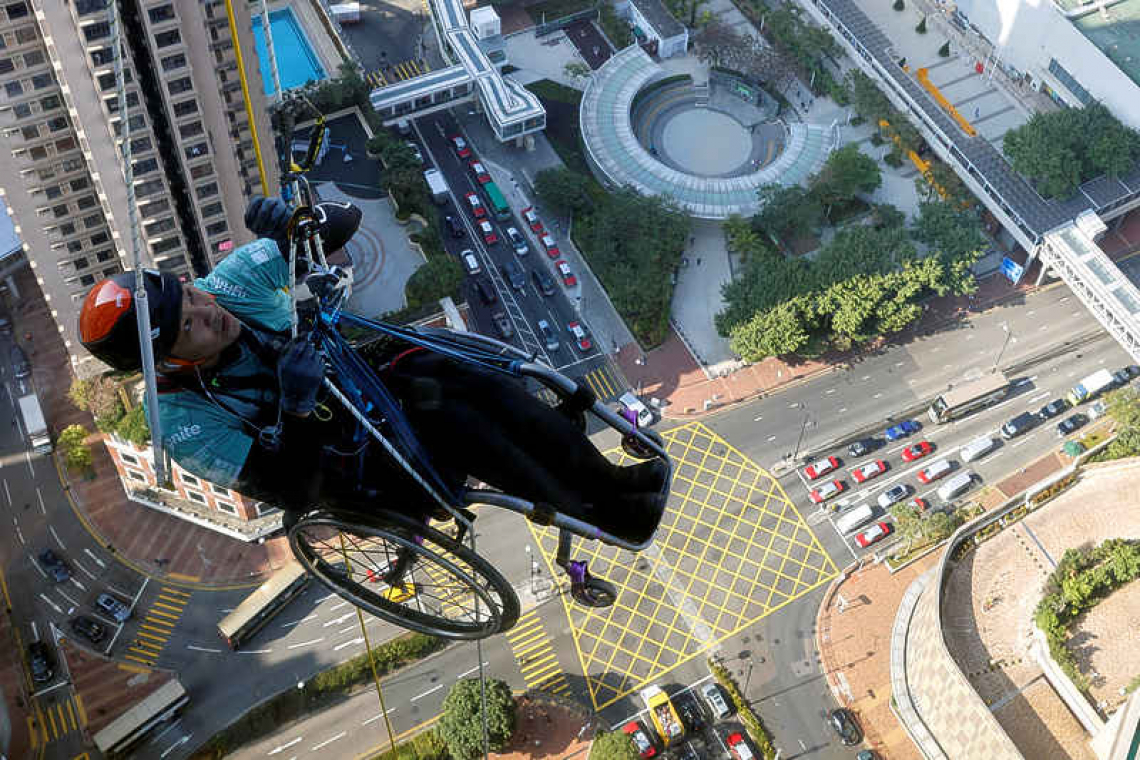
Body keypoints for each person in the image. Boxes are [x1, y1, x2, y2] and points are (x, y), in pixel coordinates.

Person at [77, 197, 667, 541]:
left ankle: (607, 482)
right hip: (342, 464)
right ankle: (606, 517)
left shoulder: (224, 287)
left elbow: (344, 223)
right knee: (464, 424)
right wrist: (296, 407)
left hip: (363, 386)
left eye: (194, 298)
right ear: (169, 361)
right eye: (190, 328)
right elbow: (293, 489)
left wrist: (296, 224)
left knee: (484, 379)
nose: (211, 313)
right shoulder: (183, 424)